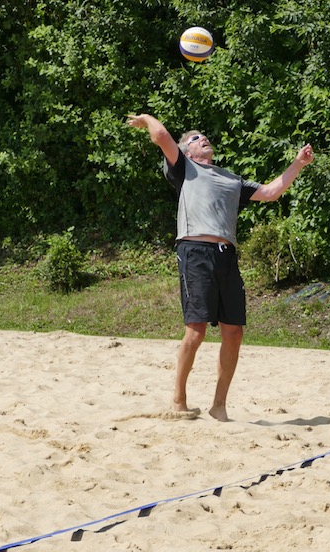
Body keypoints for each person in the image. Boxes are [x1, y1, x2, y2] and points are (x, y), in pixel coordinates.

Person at [127, 113, 314, 421]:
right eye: (195, 138)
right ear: (187, 151)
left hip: (226, 255)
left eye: (204, 136)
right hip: (195, 252)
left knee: (234, 332)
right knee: (196, 331)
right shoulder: (184, 168)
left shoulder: (230, 179)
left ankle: (219, 405)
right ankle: (178, 400)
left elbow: (270, 193)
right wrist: (147, 118)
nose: (203, 138)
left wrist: (298, 164)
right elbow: (161, 137)